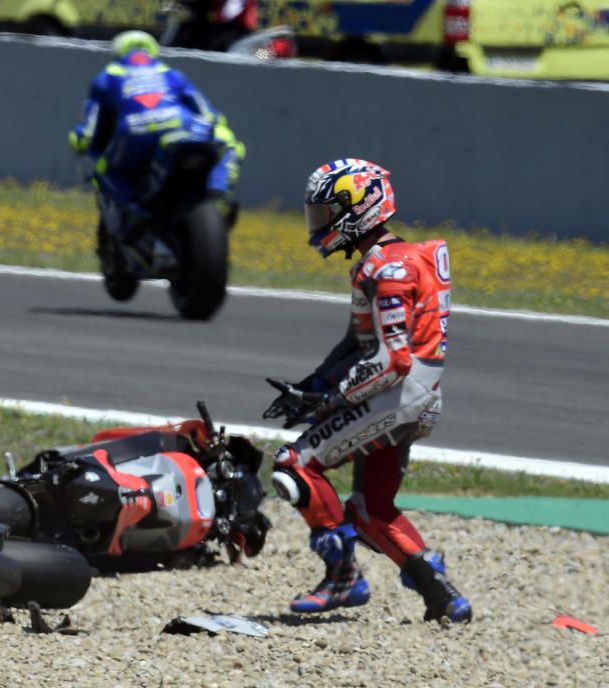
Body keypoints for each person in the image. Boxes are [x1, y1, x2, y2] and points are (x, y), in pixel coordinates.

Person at [262, 158, 472, 623]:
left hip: (398, 397)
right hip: (416, 397)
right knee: (371, 509)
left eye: (326, 211)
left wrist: (332, 399)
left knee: (294, 466)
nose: (319, 224)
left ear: (358, 208)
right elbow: (357, 345)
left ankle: (344, 579)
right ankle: (445, 598)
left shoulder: (386, 269)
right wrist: (311, 387)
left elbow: (391, 359)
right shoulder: (396, 259)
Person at [68, 30, 244, 255]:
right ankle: (219, 195)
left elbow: (89, 128)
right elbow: (209, 114)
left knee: (105, 172)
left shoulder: (109, 75)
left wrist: (80, 141)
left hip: (136, 131)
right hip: (184, 126)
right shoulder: (172, 74)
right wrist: (217, 133)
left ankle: (137, 215)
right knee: (230, 147)